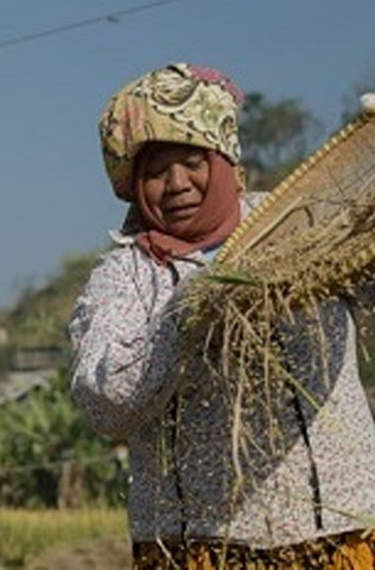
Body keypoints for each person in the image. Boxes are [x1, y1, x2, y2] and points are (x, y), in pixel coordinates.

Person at [69, 63, 375, 568]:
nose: (176, 184)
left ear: (225, 158)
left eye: (192, 161)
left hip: (338, 533)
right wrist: (187, 311)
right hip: (200, 547)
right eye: (154, 171)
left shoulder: (301, 224)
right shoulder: (126, 275)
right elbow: (105, 403)